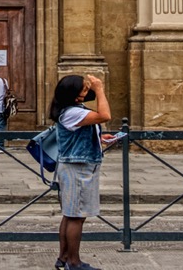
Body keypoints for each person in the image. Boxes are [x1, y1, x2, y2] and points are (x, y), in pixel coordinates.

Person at [47, 72, 113, 270]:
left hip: (77, 165)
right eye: (84, 88)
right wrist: (100, 89)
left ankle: (64, 258)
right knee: (76, 216)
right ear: (74, 93)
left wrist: (99, 138)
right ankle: (74, 263)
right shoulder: (72, 112)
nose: (88, 90)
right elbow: (105, 115)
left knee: (71, 214)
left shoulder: (72, 110)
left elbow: (82, 132)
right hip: (78, 168)